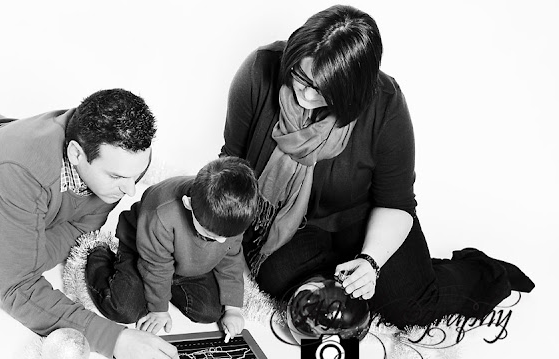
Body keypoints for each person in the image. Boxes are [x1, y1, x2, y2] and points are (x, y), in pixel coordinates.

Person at [220, 5, 535, 328]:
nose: (306, 94)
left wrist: (371, 262)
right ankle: (344, 273)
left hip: (363, 218)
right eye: (300, 77)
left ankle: (480, 271)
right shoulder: (260, 70)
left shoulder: (385, 103)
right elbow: (231, 163)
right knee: (280, 281)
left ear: (353, 90)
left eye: (324, 89)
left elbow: (397, 203)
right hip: (291, 222)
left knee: (411, 307)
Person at [0, 78, 181, 359]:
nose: (130, 191)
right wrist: (117, 340)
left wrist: (12, 259)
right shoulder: (20, 172)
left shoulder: (109, 153)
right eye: (117, 177)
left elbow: (78, 229)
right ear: (76, 154)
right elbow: (19, 289)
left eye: (137, 174)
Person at [85, 156, 259, 340]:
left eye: (227, 236)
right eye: (212, 235)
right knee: (125, 310)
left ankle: (167, 285)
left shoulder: (232, 218)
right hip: (143, 252)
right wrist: (159, 309)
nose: (222, 241)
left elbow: (231, 259)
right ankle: (98, 255)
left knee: (209, 312)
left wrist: (233, 309)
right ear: (188, 204)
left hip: (185, 260)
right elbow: (155, 266)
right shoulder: (162, 214)